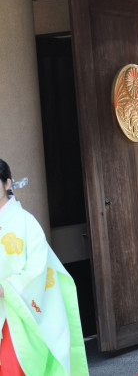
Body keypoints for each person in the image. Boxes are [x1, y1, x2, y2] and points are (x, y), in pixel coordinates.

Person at [0, 158, 89, 375]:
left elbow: (39, 269)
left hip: (15, 314)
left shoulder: (25, 222)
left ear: (8, 184)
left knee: (14, 367)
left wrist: (6, 288)